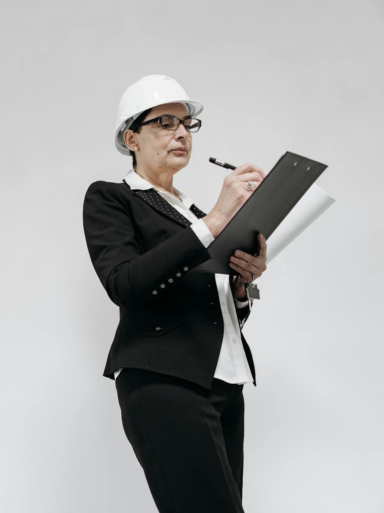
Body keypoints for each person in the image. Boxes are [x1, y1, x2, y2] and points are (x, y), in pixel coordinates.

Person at [82, 75, 268, 513]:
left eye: (187, 124)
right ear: (132, 137)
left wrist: (242, 284)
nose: (182, 132)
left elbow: (215, 307)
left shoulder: (193, 212)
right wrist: (216, 220)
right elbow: (124, 283)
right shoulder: (112, 199)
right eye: (165, 123)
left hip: (225, 381)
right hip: (164, 379)